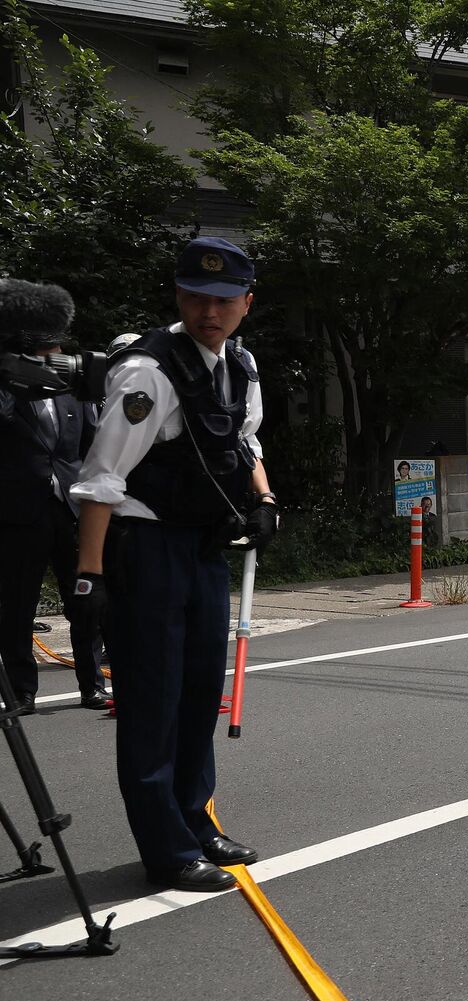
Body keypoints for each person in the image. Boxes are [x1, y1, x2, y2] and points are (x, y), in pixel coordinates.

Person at [68, 237, 278, 894]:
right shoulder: (148, 374)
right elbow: (102, 479)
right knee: (152, 702)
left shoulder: (238, 367)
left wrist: (264, 498)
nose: (208, 311)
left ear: (246, 302)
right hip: (148, 550)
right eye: (194, 297)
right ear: (178, 297)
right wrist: (89, 577)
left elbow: (243, 443)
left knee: (196, 696)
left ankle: (196, 820)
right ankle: (166, 849)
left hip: (203, 551)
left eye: (221, 300)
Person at [0, 280, 110, 713]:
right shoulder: (8, 386)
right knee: (16, 606)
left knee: (83, 599)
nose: (52, 358)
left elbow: (91, 445)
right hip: (19, 512)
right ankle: (23, 692)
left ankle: (92, 684)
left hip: (70, 508)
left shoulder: (71, 390)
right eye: (42, 352)